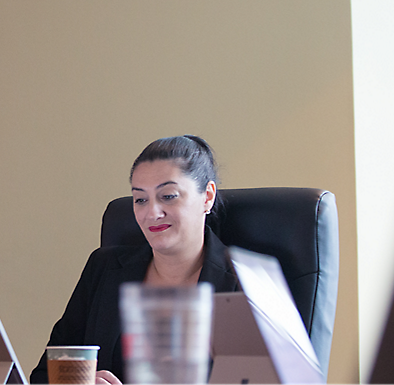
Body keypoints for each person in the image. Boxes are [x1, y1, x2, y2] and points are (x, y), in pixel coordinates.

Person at [29, 135, 239, 385]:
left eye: (168, 196)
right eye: (140, 199)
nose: (152, 213)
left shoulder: (246, 282)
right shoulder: (104, 268)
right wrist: (79, 383)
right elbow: (44, 376)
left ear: (207, 196)